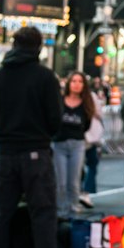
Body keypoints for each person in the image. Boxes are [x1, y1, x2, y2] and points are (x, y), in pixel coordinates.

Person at [0, 26, 76, 248]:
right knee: (43, 212)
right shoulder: (45, 77)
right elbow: (55, 119)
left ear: (13, 44)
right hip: (36, 152)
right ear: (38, 47)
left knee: (1, 214)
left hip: (5, 152)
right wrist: (41, 133)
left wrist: (2, 134)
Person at [54, 71, 90, 219]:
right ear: (69, 83)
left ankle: (73, 212)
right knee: (60, 182)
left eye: (80, 81)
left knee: (74, 182)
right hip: (59, 144)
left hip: (77, 144)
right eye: (74, 81)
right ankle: (61, 213)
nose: (76, 84)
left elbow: (86, 124)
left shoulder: (86, 104)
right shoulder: (60, 101)